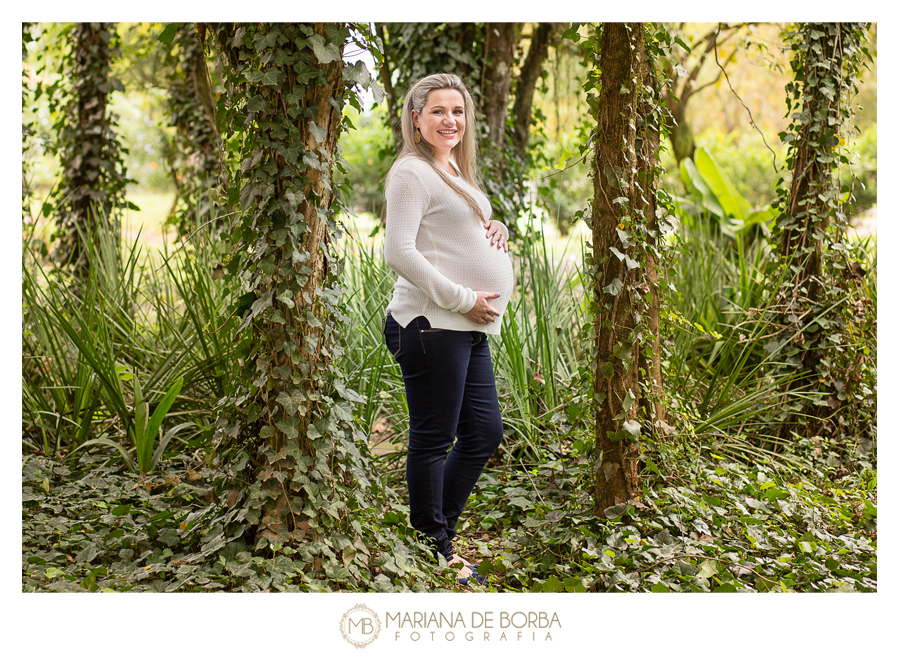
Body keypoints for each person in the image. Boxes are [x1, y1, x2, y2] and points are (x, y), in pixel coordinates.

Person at [381, 73, 514, 585]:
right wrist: (463, 298)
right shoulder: (411, 173)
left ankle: (435, 535)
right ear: (416, 118)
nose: (449, 120)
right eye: (438, 111)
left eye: (457, 111)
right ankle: (434, 544)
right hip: (431, 323)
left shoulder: (451, 167)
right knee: (434, 438)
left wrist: (492, 223)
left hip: (463, 326)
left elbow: (453, 228)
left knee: (483, 433)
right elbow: (400, 251)